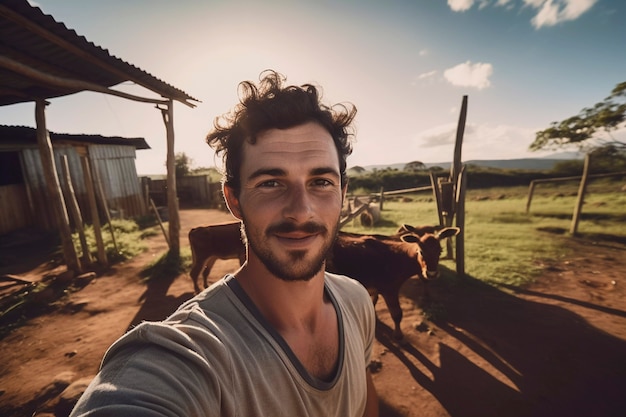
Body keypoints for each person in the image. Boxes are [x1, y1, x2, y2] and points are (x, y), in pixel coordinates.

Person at [70, 70, 379, 417]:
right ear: (234, 200)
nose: (301, 211)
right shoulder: (188, 354)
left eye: (321, 181)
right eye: (271, 183)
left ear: (343, 194)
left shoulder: (356, 302)